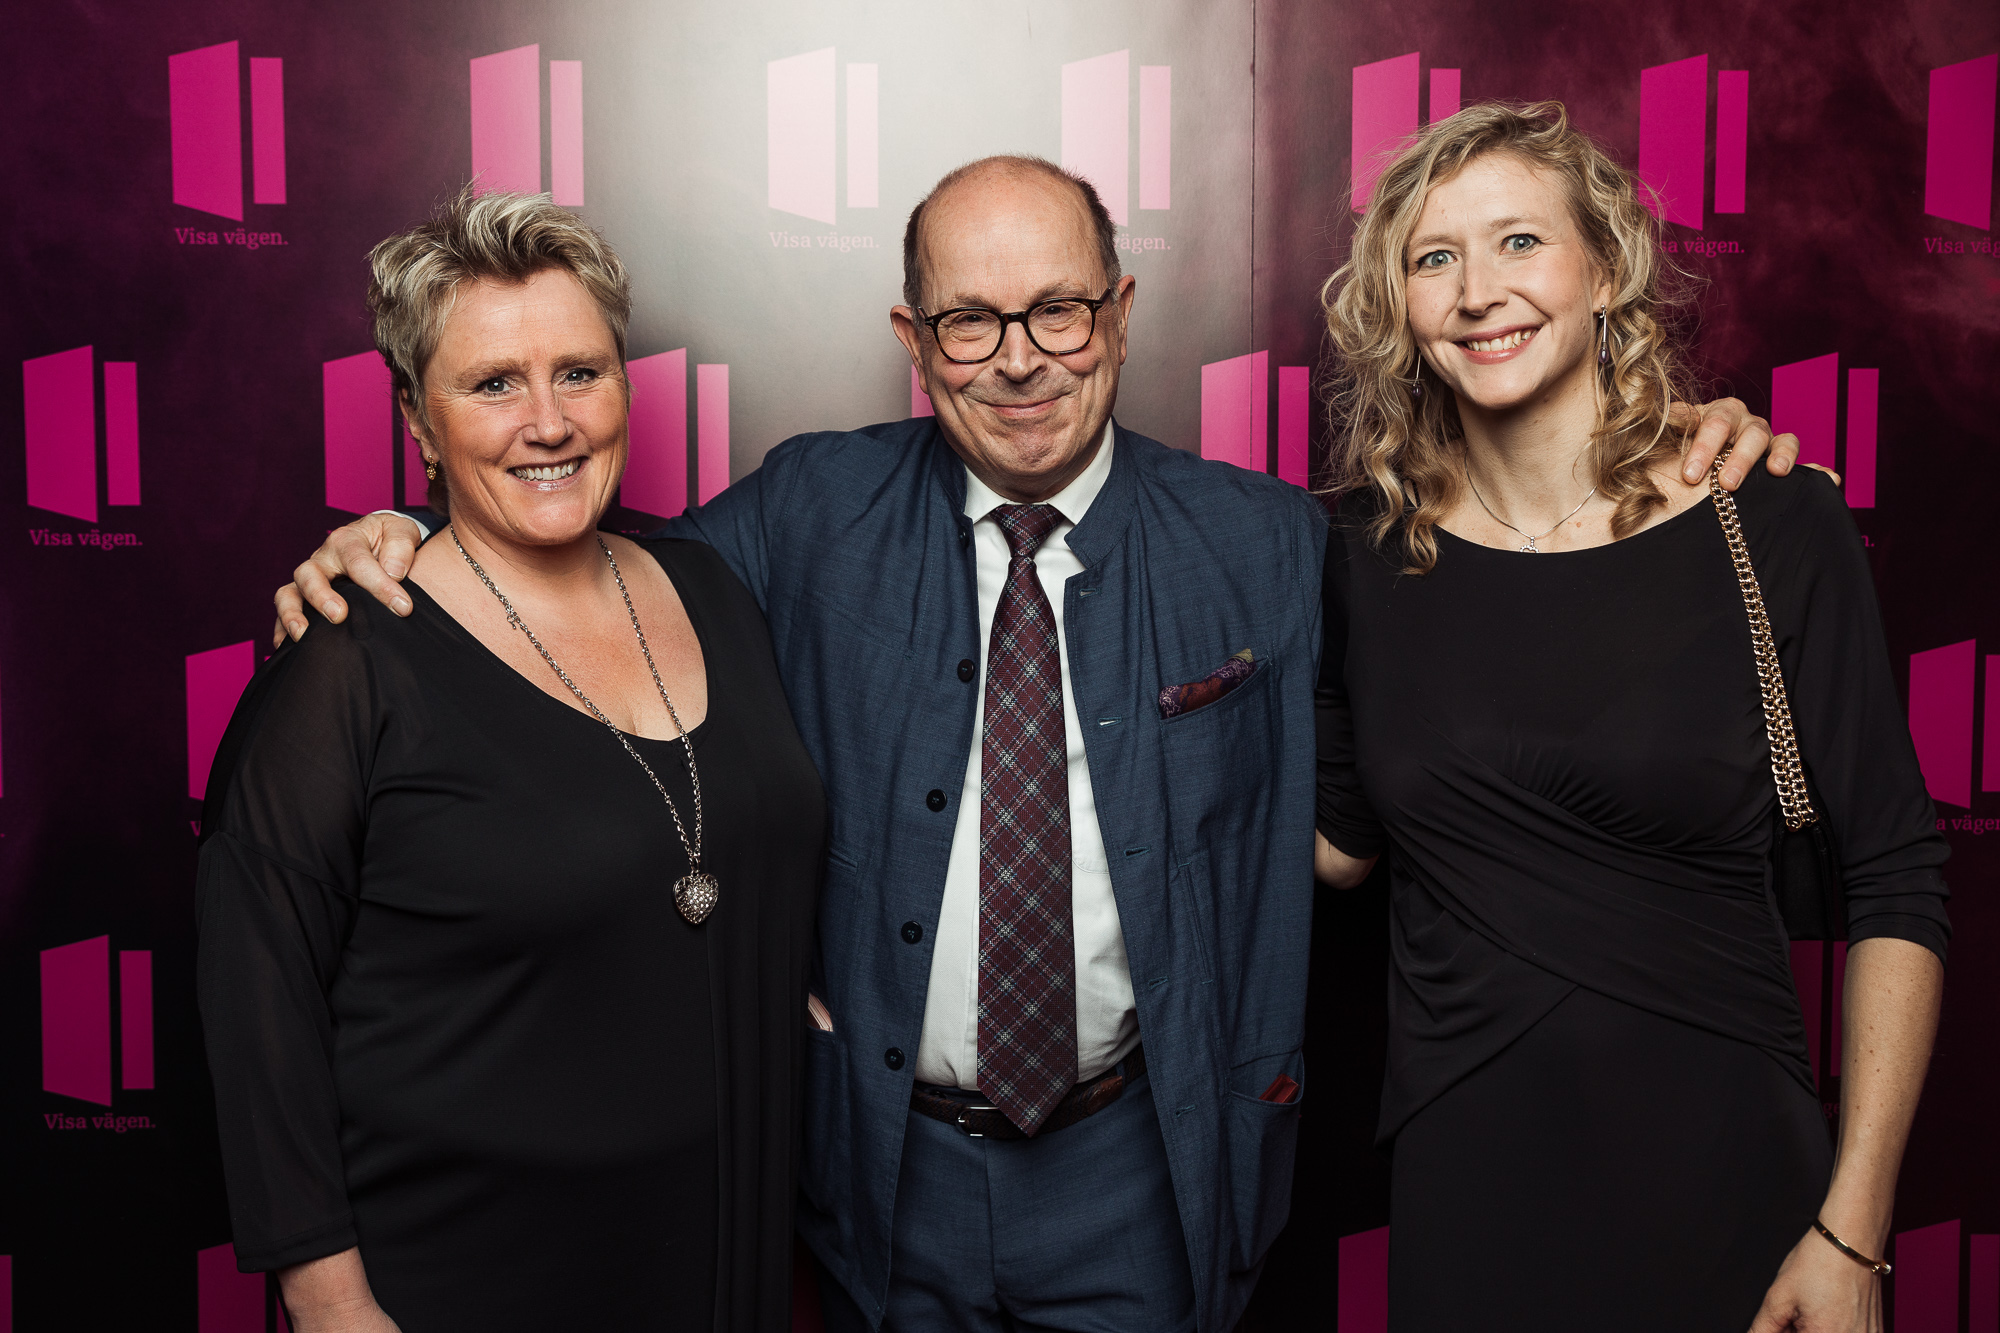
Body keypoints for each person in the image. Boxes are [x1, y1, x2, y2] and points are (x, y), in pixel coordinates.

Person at [272, 156, 1796, 1332]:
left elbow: (1492, 591)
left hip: (1143, 1169)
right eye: (970, 321)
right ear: (913, 340)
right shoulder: (806, 513)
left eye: (1060, 309)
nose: (1020, 358)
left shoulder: (1268, 543)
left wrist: (1660, 444)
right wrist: (407, 535)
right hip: (880, 1170)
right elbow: (584, 566)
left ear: (1119, 314)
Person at [1310, 102, 1947, 1331]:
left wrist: (1852, 1234)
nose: (1477, 291)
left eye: (1518, 241)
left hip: (1729, 1184)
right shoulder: (1362, 556)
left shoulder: (1770, 519)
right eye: (1434, 258)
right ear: (1399, 306)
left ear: (1604, 270)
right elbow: (1333, 849)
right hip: (1469, 1199)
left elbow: (1894, 878)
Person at [197, 187, 823, 1332]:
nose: (548, 422)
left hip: (715, 1250)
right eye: (493, 384)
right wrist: (328, 1300)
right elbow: (258, 993)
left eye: (579, 372)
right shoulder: (351, 661)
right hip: (471, 1270)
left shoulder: (713, 589)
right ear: (416, 418)